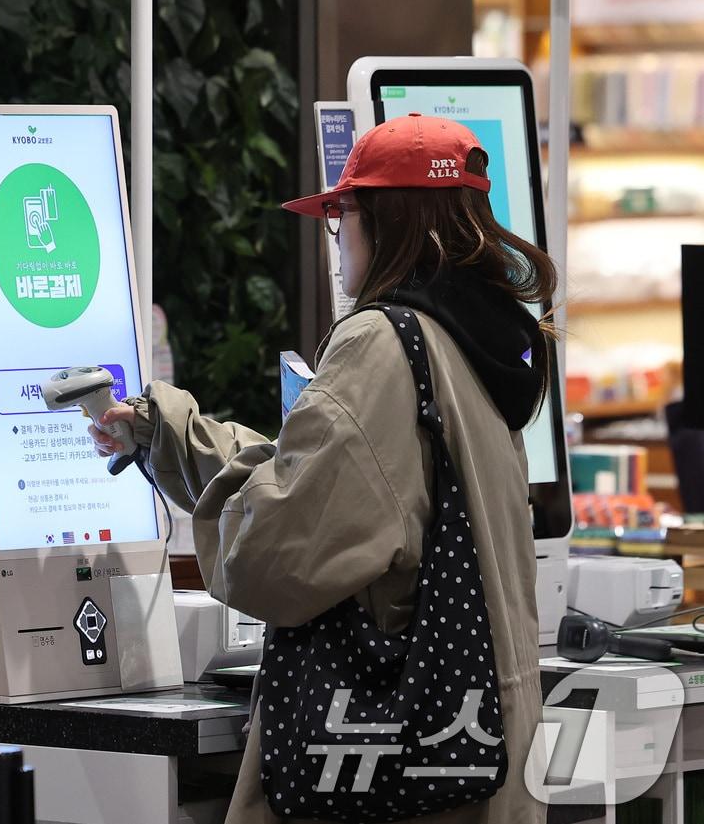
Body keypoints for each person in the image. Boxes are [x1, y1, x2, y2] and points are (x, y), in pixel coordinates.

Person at [92, 114, 554, 824]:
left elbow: (275, 552)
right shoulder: (480, 340)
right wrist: (166, 433)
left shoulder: (382, 342)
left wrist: (202, 473)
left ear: (386, 223)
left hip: (393, 777)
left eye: (342, 219)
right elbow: (328, 482)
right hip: (484, 748)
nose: (338, 242)